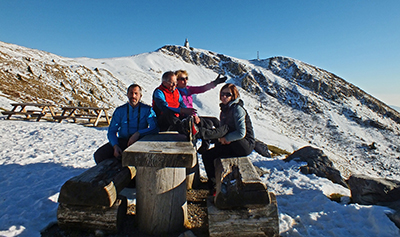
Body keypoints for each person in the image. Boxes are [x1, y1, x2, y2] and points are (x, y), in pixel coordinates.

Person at [201, 83, 255, 193]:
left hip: (244, 145)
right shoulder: (225, 110)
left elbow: (241, 133)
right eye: (222, 94)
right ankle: (214, 187)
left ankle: (203, 133)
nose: (224, 97)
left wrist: (226, 139)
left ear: (233, 96)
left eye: (227, 94)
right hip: (232, 144)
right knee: (207, 155)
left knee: (226, 128)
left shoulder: (237, 109)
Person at [94, 83, 159, 164]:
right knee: (99, 155)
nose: (133, 96)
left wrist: (138, 133)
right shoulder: (120, 110)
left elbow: (154, 127)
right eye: (131, 93)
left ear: (140, 96)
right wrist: (115, 146)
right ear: (127, 95)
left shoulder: (147, 110)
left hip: (140, 141)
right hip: (123, 141)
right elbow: (112, 131)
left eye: (136, 93)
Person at [175, 70, 228, 153]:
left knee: (215, 121)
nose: (185, 81)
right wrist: (193, 115)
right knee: (208, 123)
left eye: (186, 78)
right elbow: (182, 106)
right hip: (185, 117)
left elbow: (201, 88)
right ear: (176, 80)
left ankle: (221, 142)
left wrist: (214, 83)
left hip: (192, 115)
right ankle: (206, 145)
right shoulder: (175, 92)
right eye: (182, 79)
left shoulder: (188, 89)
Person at [152, 71, 197, 137]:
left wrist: (193, 114)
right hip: (163, 120)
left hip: (176, 118)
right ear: (164, 83)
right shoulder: (159, 92)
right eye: (171, 82)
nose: (174, 85)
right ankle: (184, 130)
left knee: (191, 117)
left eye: (175, 82)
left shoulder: (176, 91)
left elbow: (182, 104)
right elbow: (164, 107)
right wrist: (181, 110)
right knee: (168, 113)